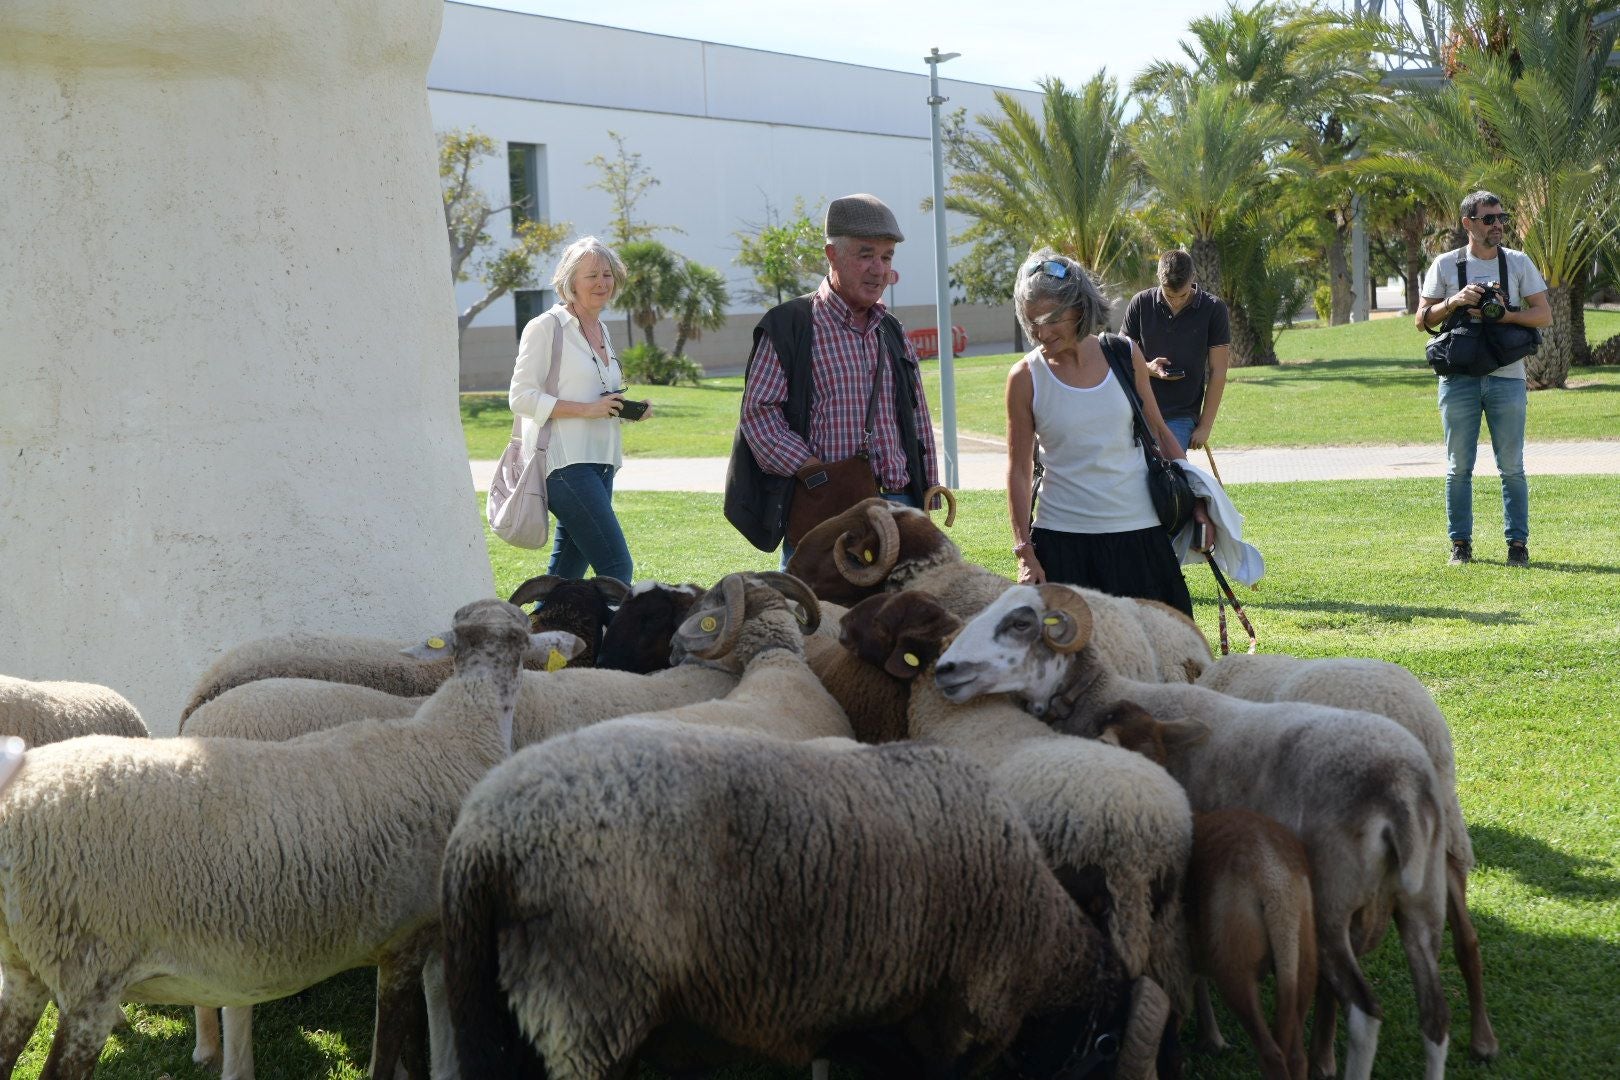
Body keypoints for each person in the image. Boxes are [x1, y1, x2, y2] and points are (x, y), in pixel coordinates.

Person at [1006, 249, 1213, 618]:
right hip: (1062, 544)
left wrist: (1199, 502)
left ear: (1079, 307)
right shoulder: (1025, 377)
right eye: (1031, 321)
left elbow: (1159, 432)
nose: (1041, 332)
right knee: (1072, 652)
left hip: (1140, 536)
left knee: (1165, 645)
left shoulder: (1123, 353)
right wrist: (1025, 552)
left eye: (1051, 319)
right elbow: (1019, 471)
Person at [736, 193, 939, 563]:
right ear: (832, 255)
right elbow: (758, 414)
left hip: (900, 504)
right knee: (817, 601)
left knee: (904, 602)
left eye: (887, 257)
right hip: (827, 508)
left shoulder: (891, 330)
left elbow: (917, 416)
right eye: (866, 255)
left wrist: (929, 486)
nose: (879, 269)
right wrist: (813, 474)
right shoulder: (791, 326)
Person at [1416, 190, 1550, 567]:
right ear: (1468, 223)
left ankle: (1518, 546)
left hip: (1508, 378)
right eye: (1488, 219)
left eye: (1501, 218)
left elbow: (1544, 315)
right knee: (1458, 467)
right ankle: (1460, 545)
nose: (1497, 225)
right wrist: (1456, 301)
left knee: (1512, 466)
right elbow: (1421, 320)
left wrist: (1506, 314)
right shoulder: (1445, 265)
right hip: (1458, 379)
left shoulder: (1518, 262)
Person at [509, 236, 650, 583]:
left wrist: (624, 408)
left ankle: (544, 618)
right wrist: (587, 410)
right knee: (616, 567)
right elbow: (521, 397)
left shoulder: (601, 328)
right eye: (592, 275)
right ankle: (620, 623)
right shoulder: (546, 327)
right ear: (571, 281)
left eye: (607, 274)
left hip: (601, 460)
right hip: (563, 463)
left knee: (566, 576)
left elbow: (593, 392)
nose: (602, 282)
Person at [1120, 249, 1231, 454]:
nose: (1175, 301)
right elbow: (1120, 357)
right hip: (1136, 410)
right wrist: (1148, 368)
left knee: (1168, 468)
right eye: (1169, 295)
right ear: (1158, 277)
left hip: (1181, 414)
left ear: (1193, 277)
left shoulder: (1214, 309)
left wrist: (1205, 426)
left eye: (1182, 295)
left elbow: (1219, 370)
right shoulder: (1140, 303)